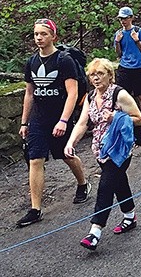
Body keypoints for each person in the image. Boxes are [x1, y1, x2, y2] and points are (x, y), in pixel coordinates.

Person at [17, 18, 90, 228]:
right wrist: (24, 122)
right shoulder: (31, 62)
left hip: (59, 117)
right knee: (35, 160)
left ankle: (83, 184)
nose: (39, 38)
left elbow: (72, 93)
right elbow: (29, 93)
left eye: (43, 34)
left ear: (53, 36)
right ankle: (35, 209)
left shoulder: (63, 60)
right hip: (38, 119)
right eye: (36, 34)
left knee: (65, 154)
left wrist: (64, 120)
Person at [64, 58, 141, 251]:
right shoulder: (91, 97)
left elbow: (139, 118)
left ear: (110, 75)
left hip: (120, 149)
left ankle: (95, 231)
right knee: (118, 183)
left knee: (106, 185)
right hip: (100, 149)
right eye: (93, 74)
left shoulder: (119, 94)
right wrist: (70, 142)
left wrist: (117, 116)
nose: (96, 78)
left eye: (100, 74)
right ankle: (130, 216)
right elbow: (83, 123)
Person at [114, 7, 141, 123]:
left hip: (138, 67)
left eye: (125, 18)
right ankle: (125, 120)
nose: (123, 21)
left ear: (131, 18)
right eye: (121, 19)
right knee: (122, 95)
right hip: (124, 67)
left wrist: (137, 40)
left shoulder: (140, 32)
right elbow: (118, 53)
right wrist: (118, 42)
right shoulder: (118, 33)